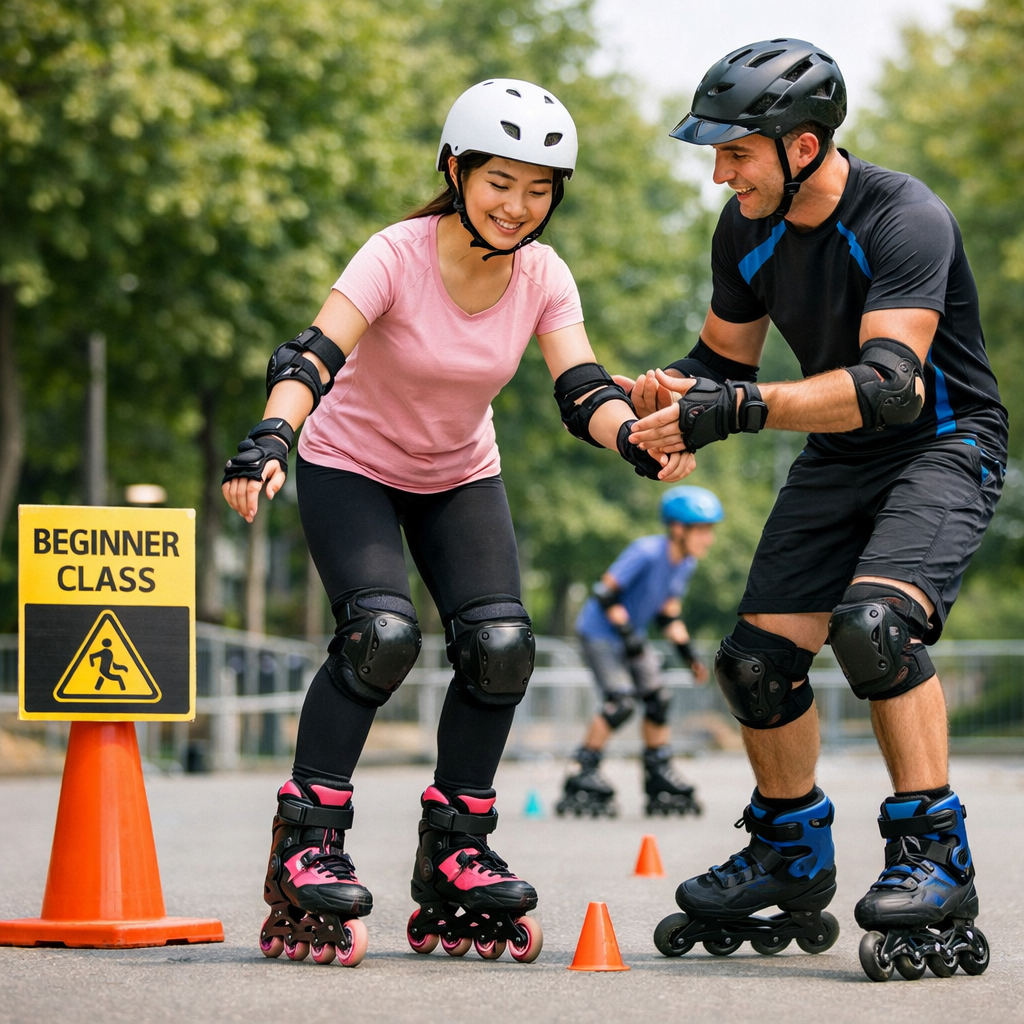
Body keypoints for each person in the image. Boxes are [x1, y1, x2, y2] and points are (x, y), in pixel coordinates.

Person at [222, 78, 689, 968]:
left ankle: (456, 852)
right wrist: (276, 430)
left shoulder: (544, 275)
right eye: (500, 181)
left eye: (540, 187)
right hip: (347, 462)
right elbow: (313, 352)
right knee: (382, 635)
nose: (519, 206)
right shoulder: (395, 254)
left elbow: (581, 388)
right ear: (457, 170)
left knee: (502, 646)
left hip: (458, 473)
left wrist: (636, 438)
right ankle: (307, 843)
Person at [635, 40, 1005, 980]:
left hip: (942, 443)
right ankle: (790, 854)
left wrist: (742, 411)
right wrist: (675, 397)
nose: (719, 172)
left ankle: (934, 858)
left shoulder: (904, 217)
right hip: (839, 455)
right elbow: (725, 364)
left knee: (872, 628)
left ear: (802, 145)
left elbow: (891, 387)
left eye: (735, 153)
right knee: (755, 666)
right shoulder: (742, 228)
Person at [557, 485, 720, 819]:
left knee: (658, 699)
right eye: (703, 530)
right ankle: (582, 771)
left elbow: (668, 614)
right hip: (599, 633)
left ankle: (658, 773)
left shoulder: (684, 564)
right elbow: (605, 593)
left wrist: (689, 656)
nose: (709, 539)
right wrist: (629, 633)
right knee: (622, 702)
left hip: (631, 635)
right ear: (678, 529)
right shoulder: (646, 552)